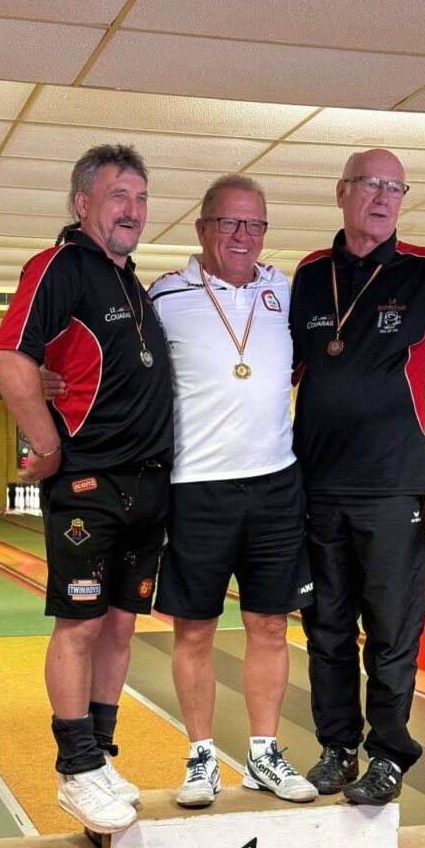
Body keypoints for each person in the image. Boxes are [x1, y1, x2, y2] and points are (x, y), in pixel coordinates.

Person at [0, 144, 173, 834]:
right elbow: (11, 354)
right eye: (118, 195)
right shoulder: (59, 266)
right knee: (81, 625)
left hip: (147, 485)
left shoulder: (132, 283)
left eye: (141, 198)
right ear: (82, 202)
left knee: (121, 626)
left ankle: (100, 756)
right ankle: (75, 768)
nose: (133, 210)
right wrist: (46, 445)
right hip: (90, 481)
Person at [290, 148, 425, 806]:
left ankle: (389, 755)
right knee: (326, 630)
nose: (382, 197)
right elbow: (274, 369)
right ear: (341, 191)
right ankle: (337, 749)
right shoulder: (309, 275)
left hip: (394, 485)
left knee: (393, 632)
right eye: (370, 184)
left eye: (394, 188)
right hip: (316, 486)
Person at [149, 175, 316, 807]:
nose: (243, 236)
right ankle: (200, 759)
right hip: (196, 487)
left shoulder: (284, 290)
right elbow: (126, 370)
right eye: (229, 223)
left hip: (276, 485)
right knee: (194, 630)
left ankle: (263, 755)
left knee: (269, 625)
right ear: (202, 229)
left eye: (255, 224)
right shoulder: (165, 296)